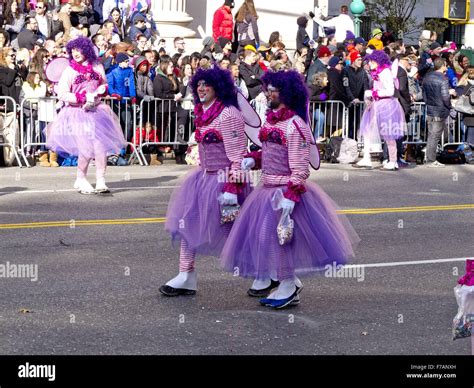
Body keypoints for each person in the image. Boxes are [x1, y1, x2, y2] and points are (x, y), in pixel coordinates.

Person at [220, 70, 359, 308]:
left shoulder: (295, 125)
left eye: (274, 90)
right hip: (266, 189)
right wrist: (255, 159)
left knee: (283, 240)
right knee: (266, 238)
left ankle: (287, 284)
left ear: (287, 93)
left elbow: (299, 165)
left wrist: (291, 195)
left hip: (284, 190)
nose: (269, 93)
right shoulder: (273, 119)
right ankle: (288, 280)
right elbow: (272, 152)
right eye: (269, 89)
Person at [159, 66, 249, 297]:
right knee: (188, 224)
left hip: (225, 181)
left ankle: (269, 274)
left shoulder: (229, 114)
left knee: (238, 231)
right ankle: (186, 275)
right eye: (198, 84)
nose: (201, 88)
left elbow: (238, 154)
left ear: (218, 87)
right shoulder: (201, 111)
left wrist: (232, 187)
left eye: (206, 84)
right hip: (203, 178)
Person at [46, 36, 127, 194]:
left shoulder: (97, 66)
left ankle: (101, 180)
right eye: (73, 50)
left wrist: (101, 90)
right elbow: (62, 93)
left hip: (97, 111)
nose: (75, 53)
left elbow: (103, 83)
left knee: (100, 146)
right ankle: (81, 178)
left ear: (86, 49)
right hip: (77, 112)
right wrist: (79, 97)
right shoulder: (69, 70)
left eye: (79, 49)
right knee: (86, 147)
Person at [354, 50, 407, 171]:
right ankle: (367, 158)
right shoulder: (378, 72)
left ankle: (393, 161)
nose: (370, 63)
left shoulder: (385, 72)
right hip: (376, 104)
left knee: (389, 134)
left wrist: (373, 93)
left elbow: (390, 91)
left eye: (372, 61)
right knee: (367, 131)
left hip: (387, 106)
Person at [422, 57, 453, 168]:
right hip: (439, 110)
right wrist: (449, 106)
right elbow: (445, 97)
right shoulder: (443, 79)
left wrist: (428, 103)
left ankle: (429, 158)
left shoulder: (427, 77)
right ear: (443, 65)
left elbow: (424, 94)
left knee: (431, 135)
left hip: (430, 109)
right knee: (434, 136)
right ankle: (431, 160)